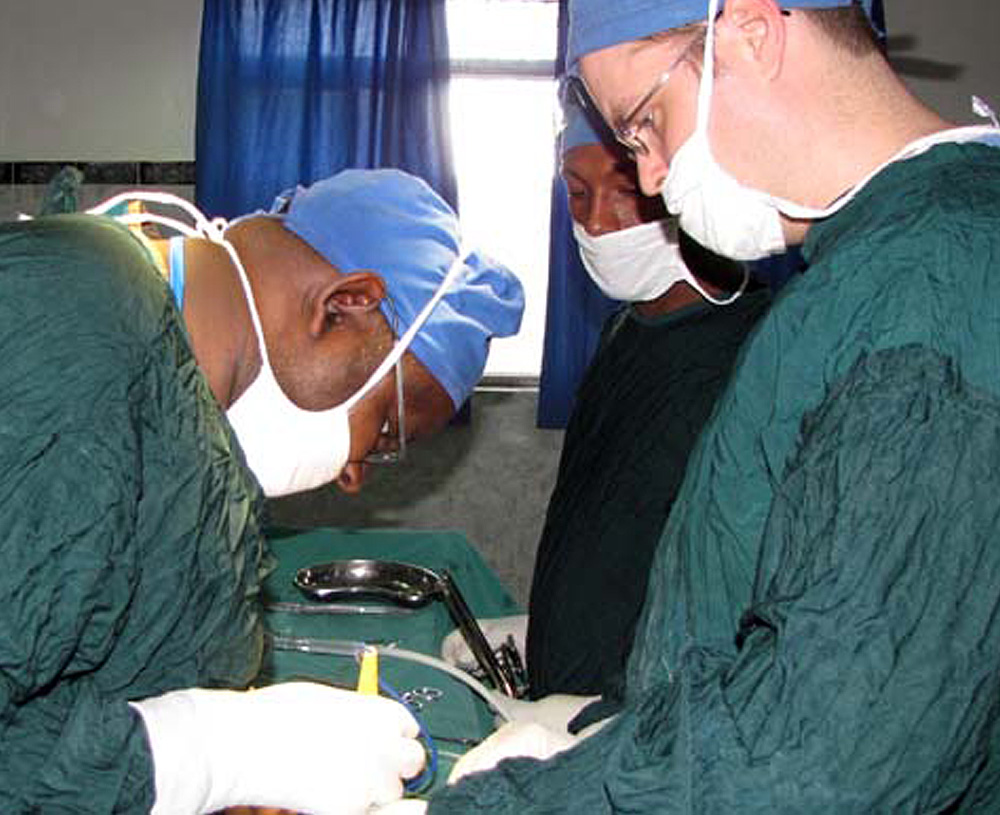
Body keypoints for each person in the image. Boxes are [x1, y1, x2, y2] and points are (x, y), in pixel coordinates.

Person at [426, 0, 1000, 812]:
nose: (651, 176)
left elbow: (829, 756)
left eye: (646, 123)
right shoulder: (865, 271)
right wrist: (610, 730)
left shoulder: (937, 282)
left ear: (753, 34)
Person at [0, 167, 523, 814]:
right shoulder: (72, 332)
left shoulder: (183, 437)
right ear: (344, 304)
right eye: (384, 430)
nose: (354, 473)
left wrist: (232, 777)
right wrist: (206, 756)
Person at [441, 92, 769, 717]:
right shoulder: (626, 331)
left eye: (624, 192)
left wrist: (609, 712)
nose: (596, 222)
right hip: (575, 684)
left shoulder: (753, 359)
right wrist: (545, 630)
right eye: (576, 191)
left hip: (653, 718)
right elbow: (612, 535)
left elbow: (741, 604)